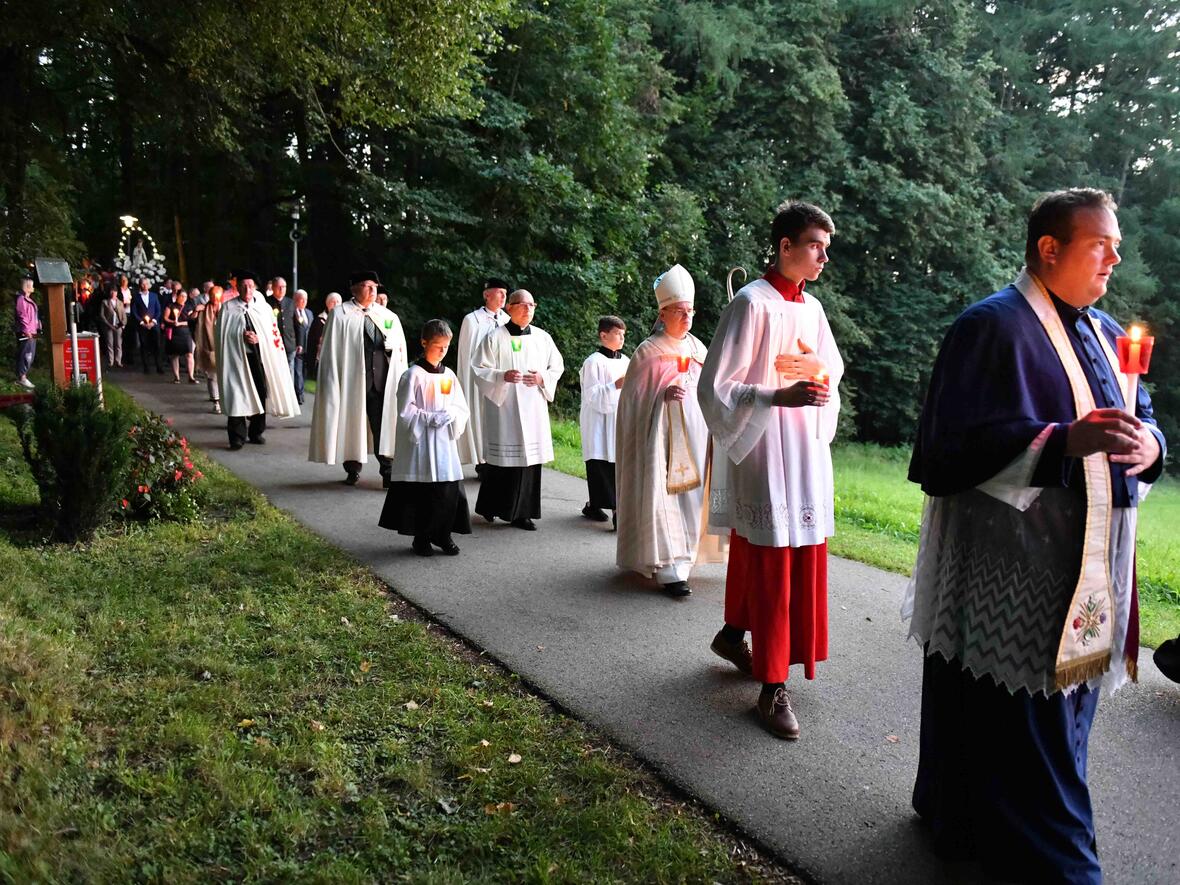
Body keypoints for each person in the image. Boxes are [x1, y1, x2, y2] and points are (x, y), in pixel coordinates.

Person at [903, 188, 1166, 884]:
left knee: (1030, 718)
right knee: (1029, 726)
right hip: (1014, 569)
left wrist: (1153, 449)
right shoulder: (989, 326)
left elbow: (1141, 416)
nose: (1115, 254)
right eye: (1100, 243)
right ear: (1050, 249)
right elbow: (949, 449)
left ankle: (958, 817)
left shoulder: (1109, 333)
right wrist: (1062, 442)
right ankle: (1062, 868)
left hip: (1085, 565)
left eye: (1116, 244)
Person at [699, 201, 843, 740]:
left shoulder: (815, 310)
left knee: (793, 552)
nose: (823, 256)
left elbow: (830, 369)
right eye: (814, 245)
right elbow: (714, 386)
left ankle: (734, 633)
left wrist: (818, 379)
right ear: (785, 246)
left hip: (804, 446)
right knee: (773, 558)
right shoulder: (750, 303)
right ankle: (772, 685)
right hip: (764, 445)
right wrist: (775, 395)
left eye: (827, 248)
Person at [615, 264, 725, 597]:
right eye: (679, 311)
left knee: (692, 498)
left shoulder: (698, 349)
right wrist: (661, 396)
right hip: (660, 441)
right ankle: (668, 566)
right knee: (665, 496)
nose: (687, 317)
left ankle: (686, 558)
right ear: (662, 314)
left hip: (697, 436)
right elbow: (634, 402)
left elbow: (714, 387)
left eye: (690, 311)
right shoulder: (648, 351)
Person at [379, 319, 473, 556]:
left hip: (444, 443)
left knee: (447, 489)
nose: (442, 352)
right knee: (422, 493)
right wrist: (430, 418)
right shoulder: (412, 375)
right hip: (420, 444)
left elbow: (460, 406)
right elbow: (405, 411)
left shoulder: (449, 375)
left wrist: (450, 414)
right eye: (438, 346)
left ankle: (443, 535)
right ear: (424, 343)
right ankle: (421, 538)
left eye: (446, 347)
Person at [471, 288, 563, 530]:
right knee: (501, 462)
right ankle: (491, 507)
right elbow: (479, 368)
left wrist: (542, 378)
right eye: (522, 305)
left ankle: (523, 513)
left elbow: (557, 366)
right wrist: (502, 375)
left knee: (529, 462)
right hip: (505, 408)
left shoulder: (543, 338)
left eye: (531, 305)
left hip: (533, 408)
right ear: (509, 308)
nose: (527, 309)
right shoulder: (494, 337)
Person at [308, 271, 408, 486]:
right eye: (367, 286)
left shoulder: (387, 316)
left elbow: (399, 347)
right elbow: (332, 351)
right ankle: (352, 468)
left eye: (375, 286)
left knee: (382, 424)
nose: (373, 290)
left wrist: (393, 350)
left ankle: (388, 471)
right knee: (352, 423)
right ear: (354, 289)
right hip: (352, 381)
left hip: (380, 381)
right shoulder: (340, 314)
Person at [215, 269, 300, 450]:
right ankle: (237, 436)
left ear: (255, 288)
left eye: (251, 286)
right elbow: (222, 336)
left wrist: (259, 338)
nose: (248, 290)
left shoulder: (263, 308)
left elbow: (272, 334)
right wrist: (240, 336)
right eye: (244, 286)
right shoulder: (228, 309)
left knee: (260, 393)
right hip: (237, 360)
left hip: (259, 358)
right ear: (237, 288)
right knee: (237, 395)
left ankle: (256, 431)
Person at [579, 315, 629, 527]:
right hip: (599, 422)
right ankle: (612, 509)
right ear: (603, 335)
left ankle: (598, 505)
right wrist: (614, 386)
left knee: (619, 465)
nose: (622, 338)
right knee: (601, 465)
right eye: (617, 334)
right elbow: (591, 395)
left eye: (623, 334)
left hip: (619, 419)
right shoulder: (593, 362)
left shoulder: (627, 361)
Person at [456, 278, 510, 473]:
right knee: (481, 416)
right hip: (479, 378)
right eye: (499, 292)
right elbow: (466, 354)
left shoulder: (507, 320)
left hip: (502, 377)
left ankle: (499, 459)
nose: (504, 296)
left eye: (505, 293)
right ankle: (482, 461)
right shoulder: (472, 320)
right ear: (487, 295)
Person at [192, 285, 223, 413]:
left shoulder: (226, 308)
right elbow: (192, 319)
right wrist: (196, 311)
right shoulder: (204, 309)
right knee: (212, 374)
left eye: (217, 295)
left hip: (224, 346)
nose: (215, 298)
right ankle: (216, 401)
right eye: (212, 295)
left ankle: (225, 400)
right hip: (208, 345)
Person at [130, 276, 164, 374]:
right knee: (144, 346)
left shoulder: (154, 296)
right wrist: (141, 322)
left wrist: (153, 321)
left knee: (157, 345)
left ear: (149, 285)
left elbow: (158, 310)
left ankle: (159, 367)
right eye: (143, 284)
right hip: (142, 326)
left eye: (146, 284)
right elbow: (134, 311)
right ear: (140, 285)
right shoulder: (136, 297)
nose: (145, 286)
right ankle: (146, 367)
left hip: (154, 325)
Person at [162, 288, 197, 383]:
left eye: (185, 296)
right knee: (175, 355)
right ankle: (176, 377)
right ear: (177, 296)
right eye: (181, 296)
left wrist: (181, 323)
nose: (183, 298)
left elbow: (191, 320)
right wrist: (173, 322)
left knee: (189, 354)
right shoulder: (171, 306)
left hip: (185, 332)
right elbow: (165, 317)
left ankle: (191, 376)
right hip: (174, 332)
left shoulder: (188, 307)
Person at [268, 275, 297, 379]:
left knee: (290, 371)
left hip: (290, 343)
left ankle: (290, 394)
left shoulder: (291, 302)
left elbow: (296, 323)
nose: (281, 289)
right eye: (279, 287)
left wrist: (299, 343)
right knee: (276, 372)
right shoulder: (267, 303)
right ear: (273, 288)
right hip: (273, 344)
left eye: (284, 286)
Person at [306, 291, 341, 379]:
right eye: (333, 302)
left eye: (338, 302)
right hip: (323, 357)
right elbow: (314, 339)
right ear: (327, 304)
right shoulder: (319, 319)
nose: (335, 304)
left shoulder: (343, 319)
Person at [13, 273, 39, 389]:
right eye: (32, 285)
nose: (33, 287)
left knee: (30, 355)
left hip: (31, 331)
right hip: (26, 332)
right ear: (27, 287)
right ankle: (21, 378)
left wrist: (38, 326)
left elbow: (34, 316)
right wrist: (26, 329)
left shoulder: (28, 300)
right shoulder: (21, 299)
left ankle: (23, 377)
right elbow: (22, 315)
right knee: (25, 355)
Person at [291, 289, 313, 405]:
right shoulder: (292, 313)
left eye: (306, 299)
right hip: (298, 347)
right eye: (301, 299)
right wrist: (296, 344)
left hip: (308, 347)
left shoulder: (309, 313)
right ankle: (299, 394)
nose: (304, 301)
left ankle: (300, 390)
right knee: (297, 371)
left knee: (304, 371)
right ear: (295, 300)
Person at [99, 284, 126, 369]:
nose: (113, 293)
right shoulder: (105, 302)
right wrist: (108, 324)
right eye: (111, 291)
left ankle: (118, 361)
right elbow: (102, 315)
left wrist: (123, 324)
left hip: (118, 326)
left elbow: (123, 315)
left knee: (118, 344)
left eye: (114, 291)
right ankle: (111, 361)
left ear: (117, 293)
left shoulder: (120, 303)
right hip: (109, 325)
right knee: (110, 343)